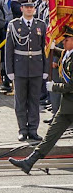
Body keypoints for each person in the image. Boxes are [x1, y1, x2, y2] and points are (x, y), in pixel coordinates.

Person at [9, 26, 73, 173]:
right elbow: (62, 53)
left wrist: (55, 87)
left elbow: (71, 86)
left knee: (51, 135)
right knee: (50, 136)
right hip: (67, 108)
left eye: (67, 39)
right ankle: (29, 162)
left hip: (69, 105)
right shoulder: (68, 53)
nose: (63, 42)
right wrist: (50, 46)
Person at [5, 0, 48, 142]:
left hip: (36, 67)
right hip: (20, 67)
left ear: (34, 9)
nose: (29, 9)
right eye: (26, 7)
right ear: (22, 8)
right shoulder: (14, 25)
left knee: (34, 101)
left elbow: (45, 49)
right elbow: (9, 49)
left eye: (31, 7)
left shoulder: (41, 25)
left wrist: (45, 70)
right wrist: (9, 70)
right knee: (21, 101)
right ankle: (22, 129)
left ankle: (33, 129)